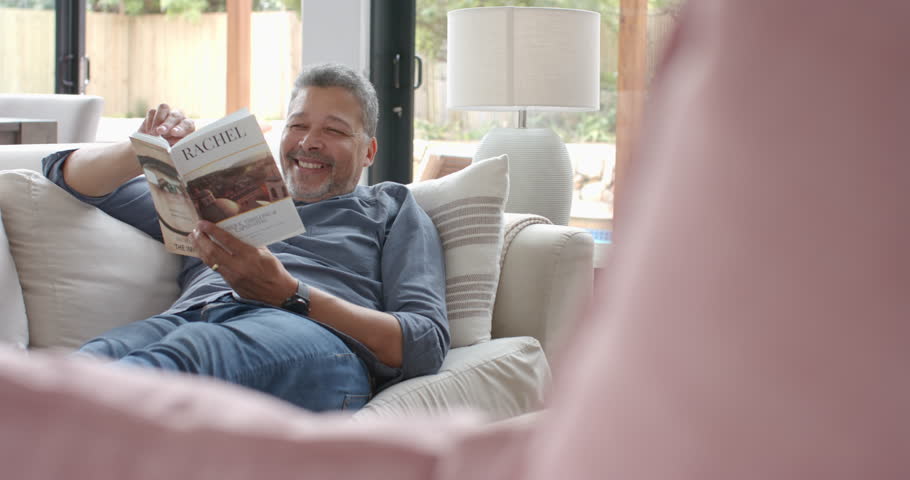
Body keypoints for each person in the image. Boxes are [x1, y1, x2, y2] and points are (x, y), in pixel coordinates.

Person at [41, 63, 449, 412]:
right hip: (192, 317)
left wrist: (290, 294)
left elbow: (424, 342)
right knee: (78, 371)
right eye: (298, 125)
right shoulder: (215, 197)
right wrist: (142, 150)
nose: (309, 142)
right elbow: (65, 176)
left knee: (181, 358)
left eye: (335, 130)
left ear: (369, 151)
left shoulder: (390, 208)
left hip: (313, 338)